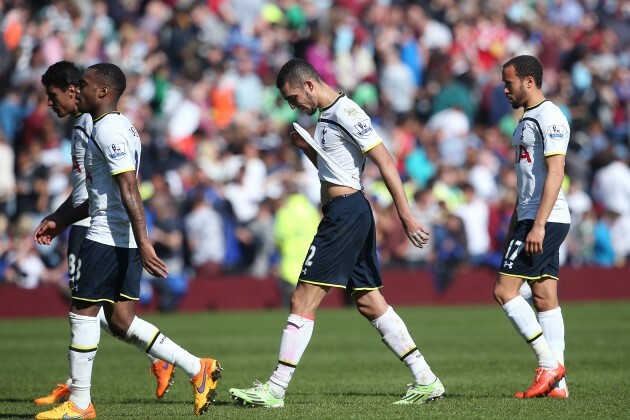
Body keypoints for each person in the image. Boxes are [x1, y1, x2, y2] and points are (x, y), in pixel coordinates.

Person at [229, 58, 444, 407]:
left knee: (302, 298)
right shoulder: (325, 118)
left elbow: (385, 160)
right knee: (368, 301)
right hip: (347, 211)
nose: (292, 105)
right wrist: (308, 152)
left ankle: (275, 389)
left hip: (346, 215)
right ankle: (426, 379)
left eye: (292, 97)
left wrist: (405, 215)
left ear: (310, 85)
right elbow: (337, 172)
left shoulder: (347, 112)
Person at [33, 63, 221, 419]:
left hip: (107, 236)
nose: (77, 89)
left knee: (82, 313)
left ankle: (80, 404)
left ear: (101, 91)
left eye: (83, 85)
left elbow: (129, 189)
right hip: (118, 237)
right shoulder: (113, 127)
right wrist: (60, 220)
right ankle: (198, 368)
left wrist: (145, 241)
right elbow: (101, 195)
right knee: (120, 321)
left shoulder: (108, 130)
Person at [493, 55, 570, 399]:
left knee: (504, 291)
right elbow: (527, 181)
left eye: (508, 82)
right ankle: (559, 386)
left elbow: (556, 172)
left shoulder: (550, 116)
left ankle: (549, 364)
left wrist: (537, 224)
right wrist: (516, 223)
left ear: (528, 81)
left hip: (545, 218)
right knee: (544, 295)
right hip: (531, 216)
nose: (504, 89)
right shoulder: (527, 119)